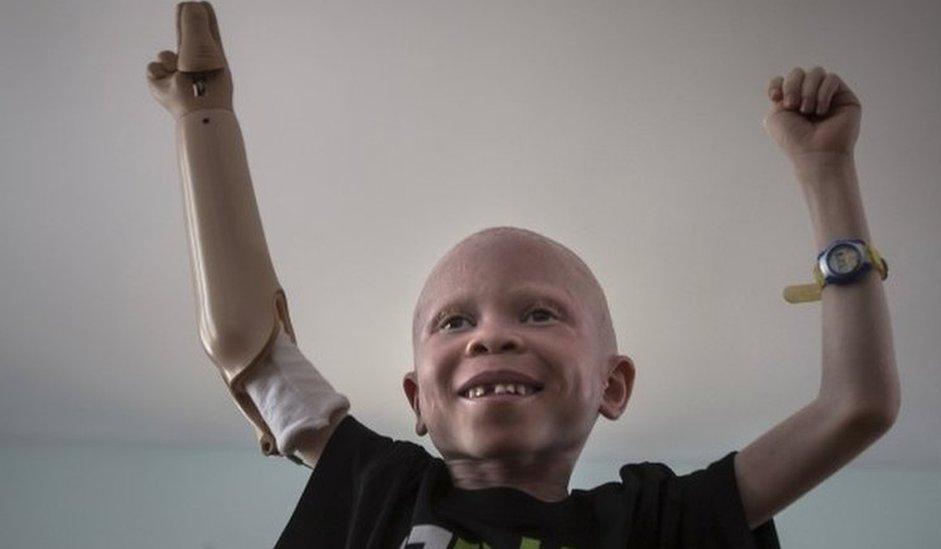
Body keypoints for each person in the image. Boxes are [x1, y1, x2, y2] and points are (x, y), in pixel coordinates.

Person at [147, 3, 899, 548]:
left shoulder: (657, 524)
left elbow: (854, 407)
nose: (491, 336)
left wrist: (827, 170)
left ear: (613, 383)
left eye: (540, 314)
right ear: (417, 397)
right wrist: (205, 118)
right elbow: (250, 345)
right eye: (455, 321)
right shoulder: (380, 487)